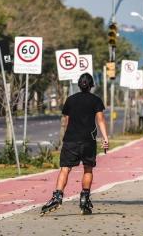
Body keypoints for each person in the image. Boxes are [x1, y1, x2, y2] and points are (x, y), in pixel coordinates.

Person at [40, 73, 109, 215]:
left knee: (65, 169)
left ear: (79, 84)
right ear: (91, 85)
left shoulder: (70, 100)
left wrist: (66, 136)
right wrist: (105, 138)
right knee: (88, 169)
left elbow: (66, 121)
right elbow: (101, 120)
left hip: (71, 140)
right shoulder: (96, 100)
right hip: (88, 141)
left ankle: (57, 197)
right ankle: (84, 198)